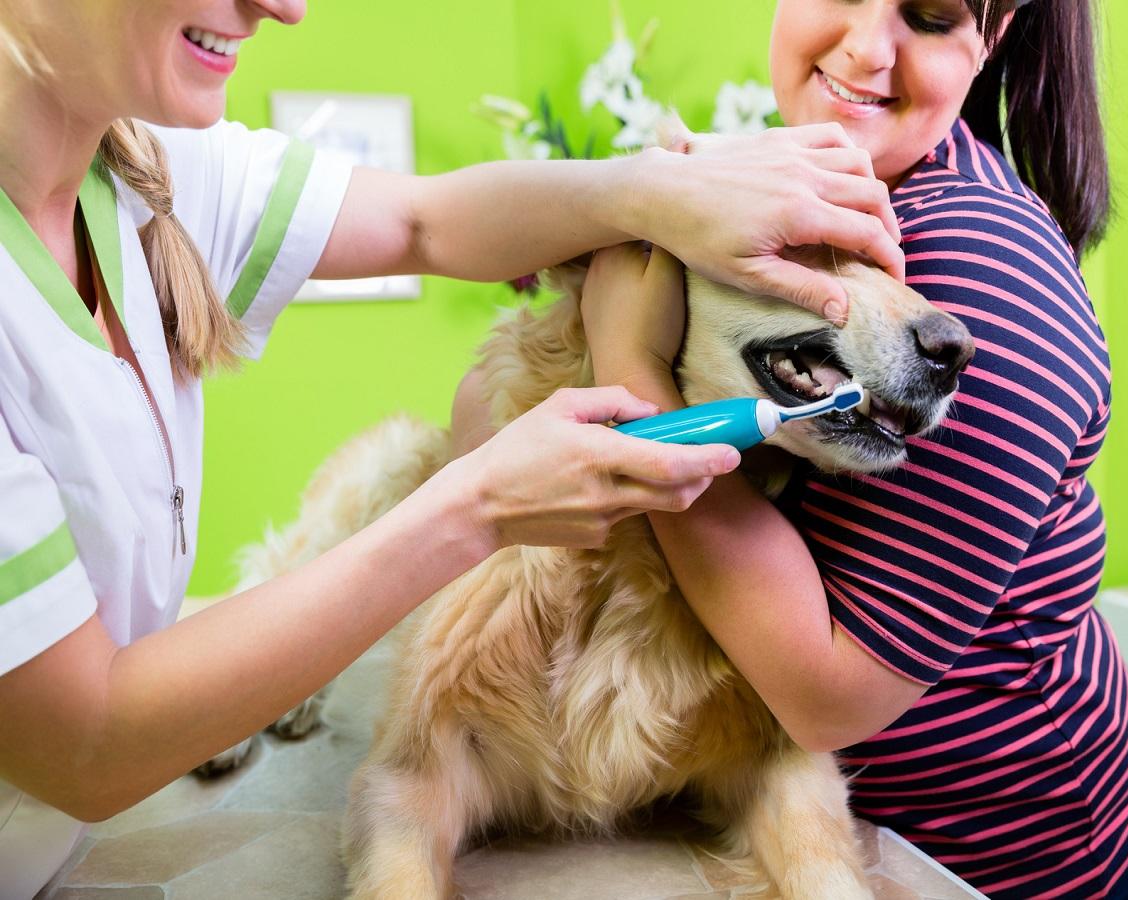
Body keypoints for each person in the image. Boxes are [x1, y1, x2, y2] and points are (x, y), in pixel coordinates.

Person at [0, 2, 915, 898]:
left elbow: (422, 222)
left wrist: (654, 190)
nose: (288, 7)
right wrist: (475, 503)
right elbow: (86, 749)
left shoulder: (153, 168)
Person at [572, 1, 1128, 898]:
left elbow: (829, 694)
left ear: (988, 40)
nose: (864, 47)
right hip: (797, 808)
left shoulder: (974, 264)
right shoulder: (803, 178)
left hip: (990, 856)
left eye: (927, 15)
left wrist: (630, 366)